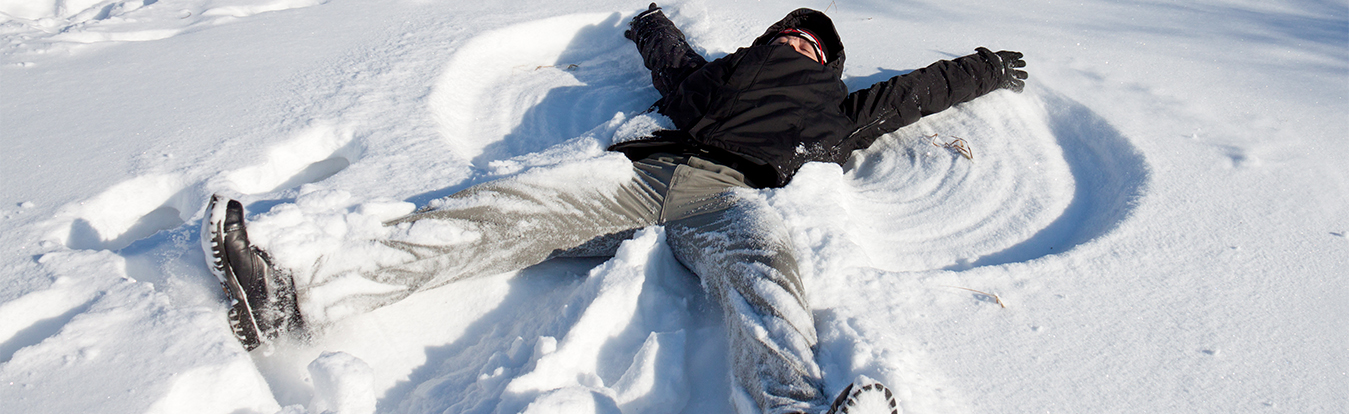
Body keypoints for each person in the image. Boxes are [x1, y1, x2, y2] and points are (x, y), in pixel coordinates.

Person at [201, 4, 1027, 414]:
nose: (797, 43)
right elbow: (674, 67)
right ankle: (297, 296)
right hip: (648, 175)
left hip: (738, 197)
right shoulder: (725, 75)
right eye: (789, 32)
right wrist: (649, 24)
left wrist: (987, 66)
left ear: (829, 63)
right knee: (504, 209)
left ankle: (788, 408)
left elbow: (918, 92)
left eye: (813, 43)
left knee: (764, 278)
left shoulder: (838, 105)